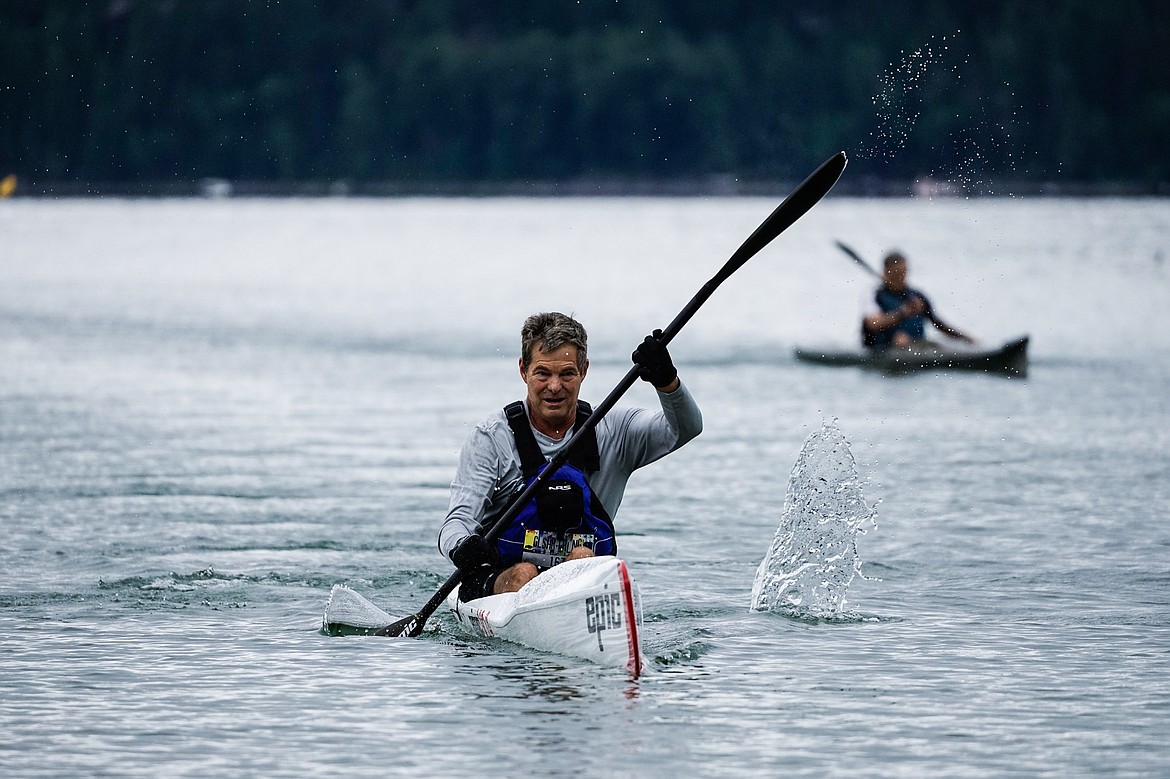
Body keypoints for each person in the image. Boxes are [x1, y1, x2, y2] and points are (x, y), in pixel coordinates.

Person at [438, 311, 702, 601]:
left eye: (566, 374)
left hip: (579, 581)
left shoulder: (614, 430)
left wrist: (667, 382)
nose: (554, 386)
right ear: (523, 370)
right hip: (502, 583)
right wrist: (463, 545)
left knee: (582, 558)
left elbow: (685, 429)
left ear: (583, 371)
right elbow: (457, 521)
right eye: (542, 373)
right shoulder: (491, 438)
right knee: (524, 572)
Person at [861, 251, 975, 349]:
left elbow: (938, 324)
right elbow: (873, 324)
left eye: (903, 272)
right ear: (886, 273)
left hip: (918, 347)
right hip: (885, 349)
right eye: (896, 273)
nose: (901, 277)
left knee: (937, 346)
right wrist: (903, 312)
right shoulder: (875, 295)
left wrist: (966, 339)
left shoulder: (917, 296)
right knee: (901, 341)